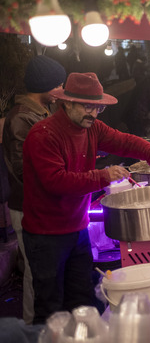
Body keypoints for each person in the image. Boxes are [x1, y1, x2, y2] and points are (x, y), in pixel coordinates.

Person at [21, 72, 150, 324]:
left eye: (98, 107)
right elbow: (56, 182)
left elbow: (125, 142)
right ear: (68, 102)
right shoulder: (43, 134)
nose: (93, 114)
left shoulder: (92, 127)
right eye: (87, 106)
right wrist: (103, 175)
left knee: (82, 301)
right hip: (46, 235)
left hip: (78, 229)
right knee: (51, 306)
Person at [2, 55, 67, 324]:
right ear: (46, 86)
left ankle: (50, 325)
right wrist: (63, 179)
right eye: (58, 85)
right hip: (29, 207)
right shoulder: (21, 118)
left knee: (47, 270)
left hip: (45, 205)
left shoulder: (41, 112)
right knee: (35, 270)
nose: (62, 90)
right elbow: (22, 170)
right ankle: (33, 329)